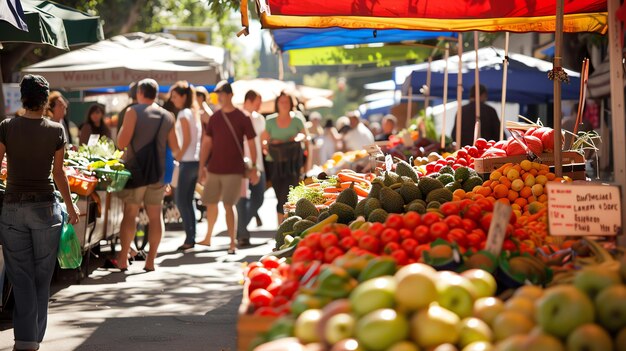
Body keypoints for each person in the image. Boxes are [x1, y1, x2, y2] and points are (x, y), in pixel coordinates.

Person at [0, 74, 80, 351]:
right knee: (42, 275)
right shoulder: (57, 130)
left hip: (12, 208)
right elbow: (59, 174)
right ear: (46, 100)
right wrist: (70, 207)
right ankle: (34, 336)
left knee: (20, 276)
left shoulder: (7, 127)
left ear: (23, 97)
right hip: (47, 209)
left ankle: (25, 340)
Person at [114, 78, 181, 272]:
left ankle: (123, 260)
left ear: (140, 93)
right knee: (155, 216)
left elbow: (121, 143)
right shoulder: (168, 116)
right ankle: (150, 261)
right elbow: (175, 148)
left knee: (131, 214)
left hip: (136, 172)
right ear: (157, 94)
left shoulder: (132, 112)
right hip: (158, 174)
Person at [196, 81, 259, 254]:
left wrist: (253, 167)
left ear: (230, 95)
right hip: (214, 168)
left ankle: (232, 242)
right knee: (210, 202)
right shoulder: (215, 117)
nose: (219, 97)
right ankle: (208, 237)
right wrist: (202, 167)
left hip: (234, 169)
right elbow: (207, 143)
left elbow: (253, 144)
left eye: (222, 94)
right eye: (217, 94)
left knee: (229, 205)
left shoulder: (242, 117)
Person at [262, 91, 311, 225]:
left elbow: (306, 138)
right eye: (281, 102)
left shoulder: (297, 119)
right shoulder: (270, 120)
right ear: (277, 104)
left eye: (286, 102)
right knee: (280, 196)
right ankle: (281, 226)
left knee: (289, 194)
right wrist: (273, 143)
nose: (284, 104)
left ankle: (289, 224)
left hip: (293, 164)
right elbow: (263, 143)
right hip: (275, 164)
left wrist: (296, 138)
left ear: (291, 104)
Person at [168, 81, 202, 251]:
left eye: (174, 96)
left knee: (182, 201)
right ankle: (191, 237)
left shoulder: (183, 114)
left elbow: (187, 140)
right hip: (194, 161)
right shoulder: (193, 113)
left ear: (183, 96)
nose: (172, 100)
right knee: (188, 201)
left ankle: (190, 238)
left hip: (187, 162)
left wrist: (178, 159)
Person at [236, 90, 266, 247]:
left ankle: (239, 227)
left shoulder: (260, 119)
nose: (260, 105)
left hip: (258, 164)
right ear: (249, 100)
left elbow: (261, 141)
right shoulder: (238, 116)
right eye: (258, 102)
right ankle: (242, 232)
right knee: (241, 200)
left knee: (259, 198)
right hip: (242, 166)